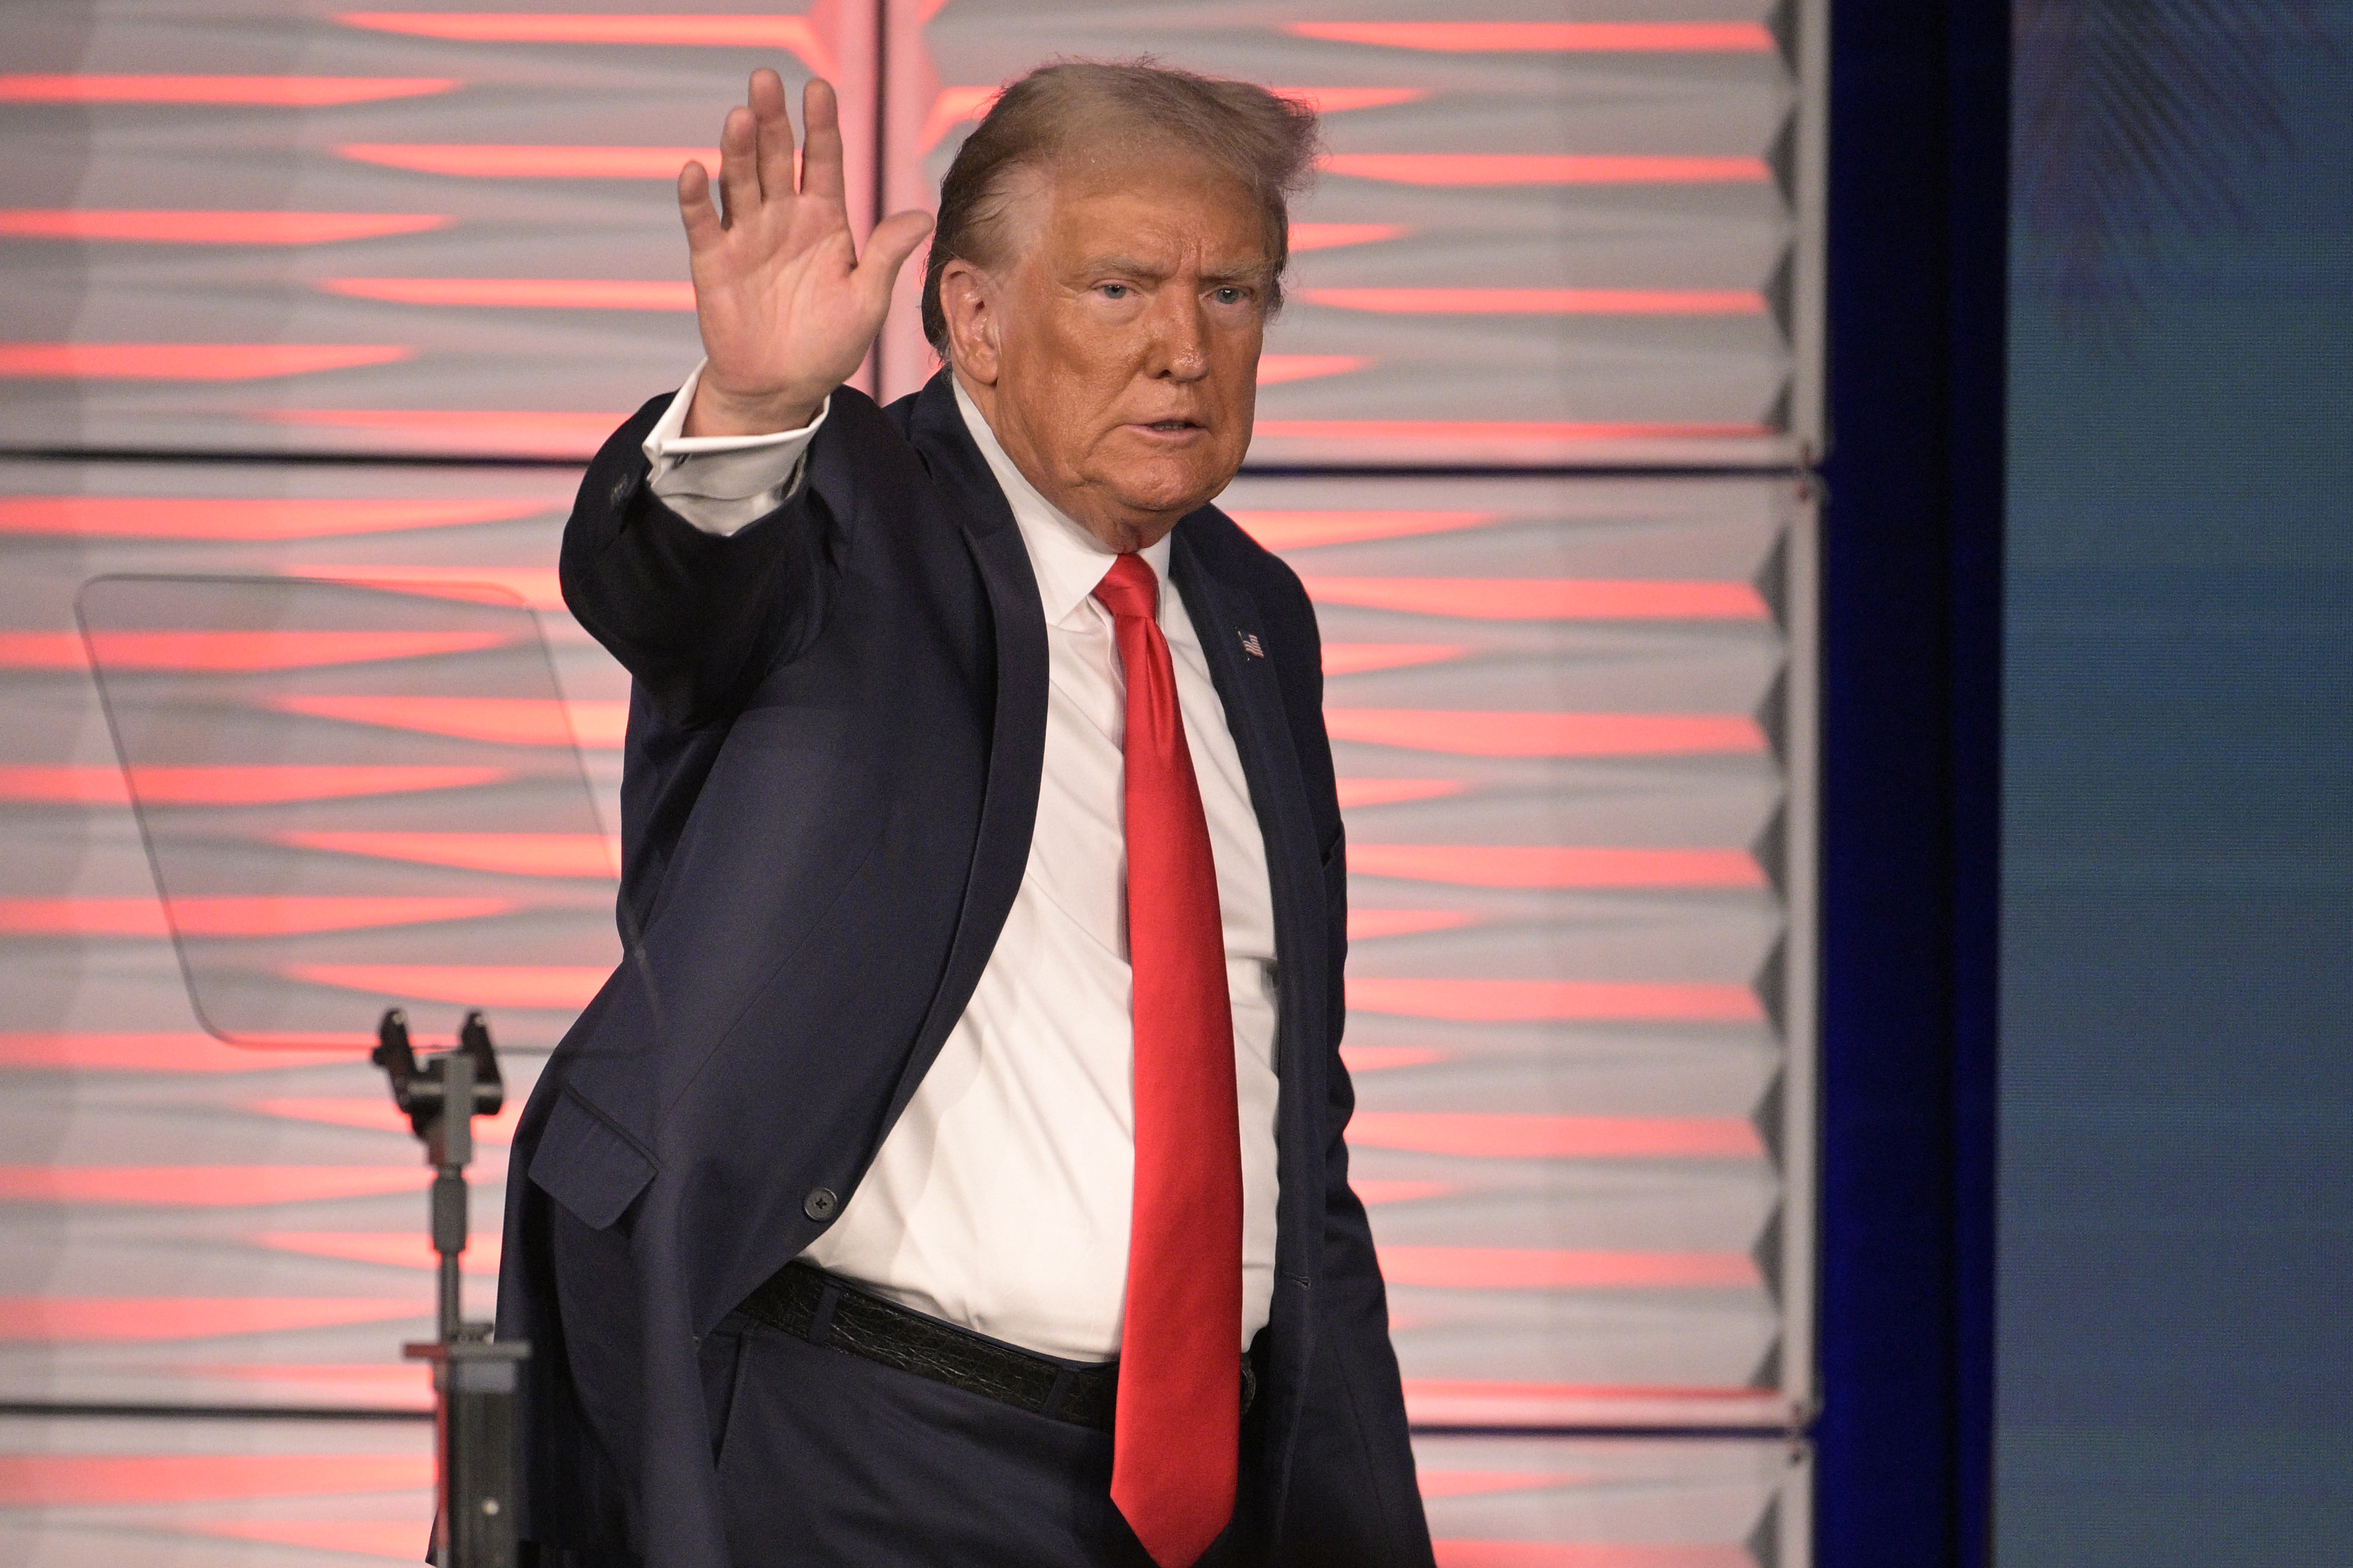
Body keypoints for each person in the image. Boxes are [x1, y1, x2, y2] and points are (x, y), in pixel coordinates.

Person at [498, 60, 1433, 1568]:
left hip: (1203, 1491)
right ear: (977, 319)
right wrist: (750, 404)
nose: (1185, 350)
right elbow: (671, 587)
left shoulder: (1258, 617)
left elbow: (1287, 1113)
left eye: (1234, 295)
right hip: (858, 1450)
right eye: (1121, 288)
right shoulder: (849, 506)